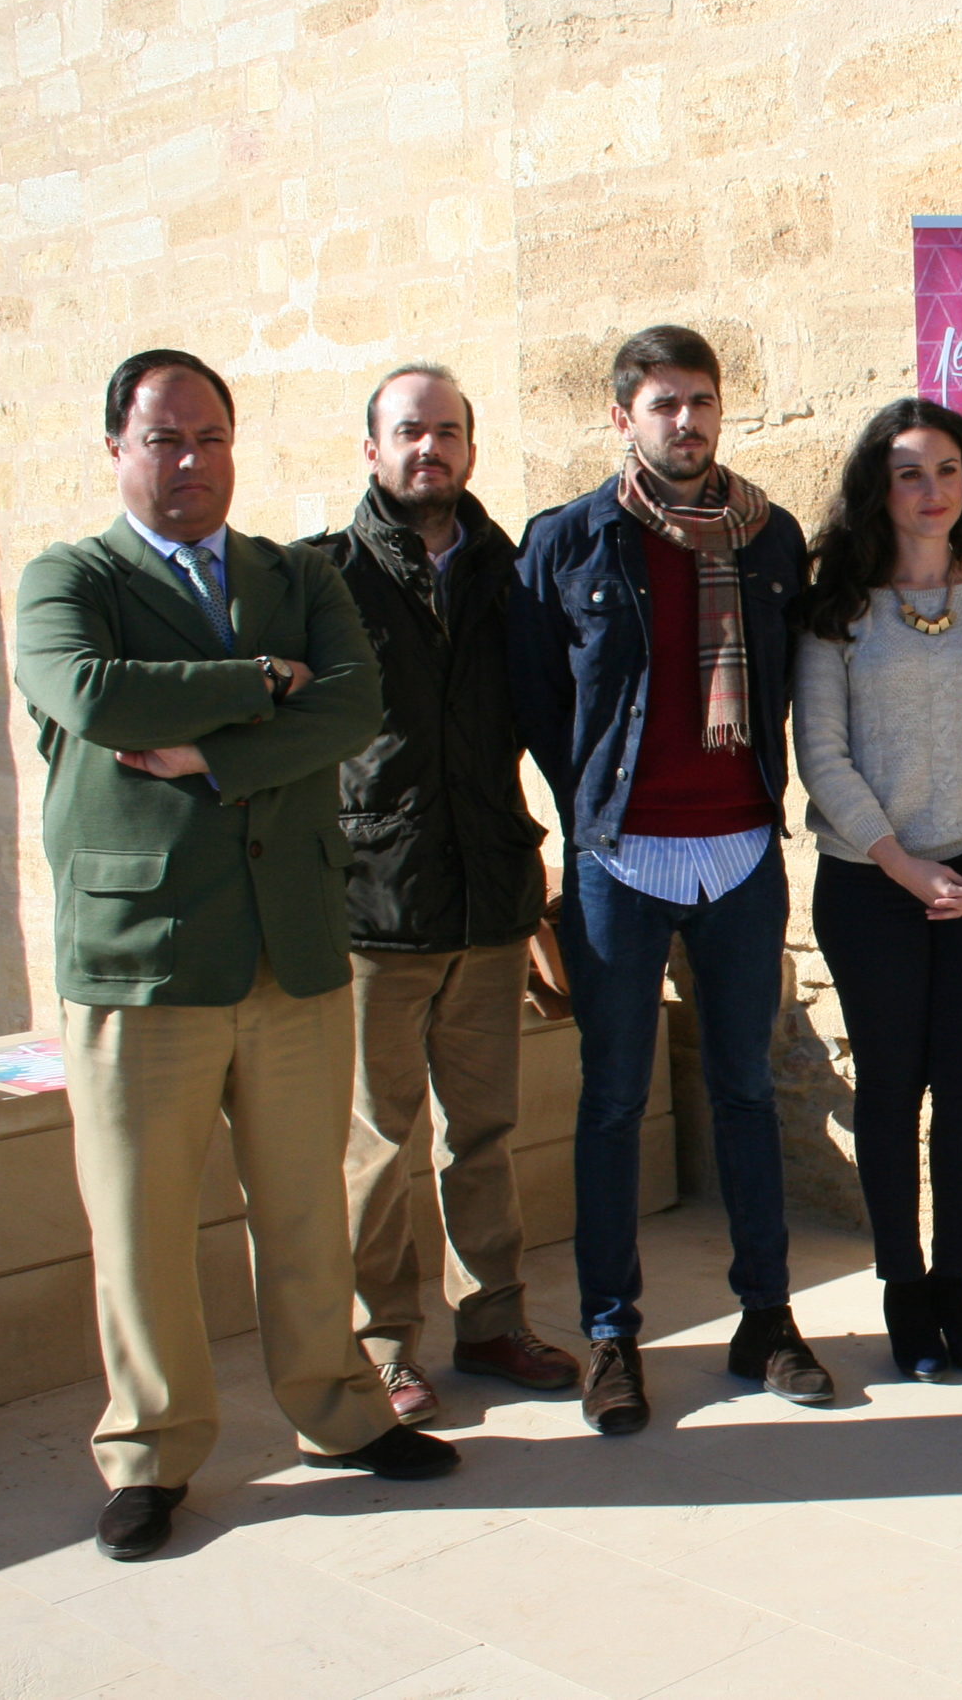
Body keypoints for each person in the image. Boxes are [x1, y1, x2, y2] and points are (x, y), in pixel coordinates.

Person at [11, 350, 458, 1563]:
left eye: (210, 437)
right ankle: (150, 1457)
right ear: (118, 449)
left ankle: (340, 1415)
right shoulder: (68, 577)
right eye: (164, 440)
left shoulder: (293, 574)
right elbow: (99, 698)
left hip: (293, 944)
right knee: (144, 1228)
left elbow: (354, 706)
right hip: (140, 957)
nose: (191, 462)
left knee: (307, 1208)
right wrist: (259, 684)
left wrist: (209, 748)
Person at [510, 325, 829, 1433]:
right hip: (619, 863)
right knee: (612, 1100)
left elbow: (793, 684)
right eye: (662, 404)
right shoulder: (570, 543)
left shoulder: (773, 538)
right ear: (622, 420)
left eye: (700, 401)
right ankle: (611, 1335)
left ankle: (767, 1322)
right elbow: (538, 702)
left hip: (740, 851)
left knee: (744, 1085)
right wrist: (590, 814)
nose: (684, 421)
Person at [310, 363, 579, 1424]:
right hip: (374, 910)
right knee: (379, 1143)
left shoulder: (513, 574)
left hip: (488, 900)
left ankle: (492, 1320)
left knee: (485, 1133)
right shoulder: (320, 578)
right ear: (373, 449)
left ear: (471, 448)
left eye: (448, 433)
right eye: (408, 432)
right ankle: (381, 1344)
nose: (430, 450)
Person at [793, 400, 962, 1379]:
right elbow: (820, 756)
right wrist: (908, 869)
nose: (931, 489)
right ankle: (903, 1289)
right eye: (909, 472)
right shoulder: (838, 609)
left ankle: (956, 1283)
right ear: (880, 487)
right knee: (891, 1090)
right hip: (874, 887)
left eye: (946, 470)